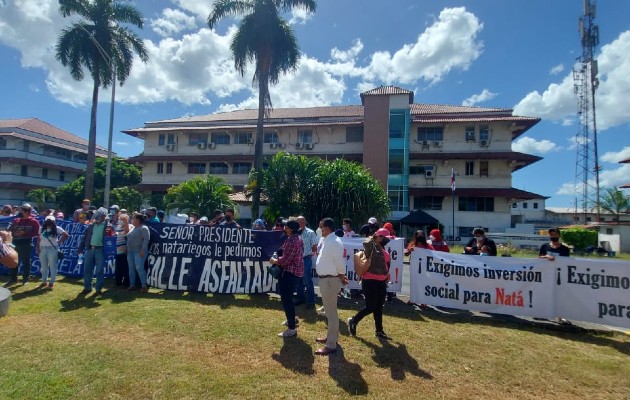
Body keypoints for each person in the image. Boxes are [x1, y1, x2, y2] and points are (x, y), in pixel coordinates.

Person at [348, 228, 393, 340]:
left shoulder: (382, 248)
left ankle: (379, 330)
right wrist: (375, 237)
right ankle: (353, 320)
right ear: (379, 236)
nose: (386, 241)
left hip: (381, 281)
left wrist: (387, 273)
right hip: (369, 280)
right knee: (371, 306)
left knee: (378, 306)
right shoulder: (370, 245)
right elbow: (366, 242)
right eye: (385, 238)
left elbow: (384, 263)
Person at [314, 217, 349, 355]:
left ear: (327, 228)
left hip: (330, 280)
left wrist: (341, 274)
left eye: (320, 227)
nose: (319, 229)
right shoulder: (328, 240)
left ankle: (331, 344)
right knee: (329, 312)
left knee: (331, 313)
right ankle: (331, 337)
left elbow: (340, 263)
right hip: (326, 280)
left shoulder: (334, 242)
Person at [269, 220, 304, 337]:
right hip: (292, 272)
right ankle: (292, 319)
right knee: (288, 298)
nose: (284, 227)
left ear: (290, 229)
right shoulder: (297, 238)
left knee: (286, 299)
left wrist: (274, 260)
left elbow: (284, 261)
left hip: (288, 273)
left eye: (286, 226)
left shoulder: (292, 241)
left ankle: (291, 328)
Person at [78, 207, 114, 295]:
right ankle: (87, 287)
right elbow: (85, 237)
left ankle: (98, 288)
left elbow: (111, 238)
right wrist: (80, 249)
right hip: (90, 249)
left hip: (100, 249)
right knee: (87, 269)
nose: (98, 217)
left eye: (101, 215)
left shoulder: (108, 226)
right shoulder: (91, 226)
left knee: (99, 270)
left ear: (104, 216)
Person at [6, 203, 40, 286]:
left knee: (26, 262)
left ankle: (25, 279)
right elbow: (9, 230)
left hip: (26, 243)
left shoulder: (34, 221)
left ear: (27, 212)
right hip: (15, 243)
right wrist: (14, 233)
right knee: (13, 261)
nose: (20, 212)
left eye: (22, 211)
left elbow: (37, 232)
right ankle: (13, 279)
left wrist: (25, 233)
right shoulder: (16, 220)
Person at [35, 215, 69, 290]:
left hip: (52, 249)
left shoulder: (57, 229)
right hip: (42, 248)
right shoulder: (41, 229)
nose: (49, 223)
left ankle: (51, 283)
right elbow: (39, 239)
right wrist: (37, 248)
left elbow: (66, 235)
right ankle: (44, 281)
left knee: (53, 266)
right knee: (44, 267)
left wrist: (60, 241)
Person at [295, 216, 319, 309]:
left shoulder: (310, 232)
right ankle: (300, 298)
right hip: (296, 259)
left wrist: (311, 254)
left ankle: (311, 301)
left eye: (302, 222)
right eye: (298, 222)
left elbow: (315, 245)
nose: (300, 224)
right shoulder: (295, 232)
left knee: (307, 280)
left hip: (305, 259)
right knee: (298, 280)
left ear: (305, 222)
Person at [127, 212, 151, 292]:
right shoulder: (133, 228)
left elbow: (146, 240)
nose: (132, 220)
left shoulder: (143, 228)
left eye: (133, 218)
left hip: (139, 251)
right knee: (131, 268)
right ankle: (132, 285)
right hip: (130, 251)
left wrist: (143, 250)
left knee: (139, 267)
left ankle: (144, 285)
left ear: (138, 220)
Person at [114, 212, 131, 288]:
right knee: (118, 267)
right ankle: (118, 282)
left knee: (125, 267)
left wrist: (126, 223)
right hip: (117, 250)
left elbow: (127, 234)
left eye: (122, 220)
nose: (120, 221)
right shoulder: (118, 226)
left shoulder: (129, 226)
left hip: (124, 250)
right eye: (119, 219)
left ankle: (126, 283)